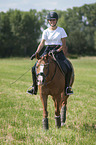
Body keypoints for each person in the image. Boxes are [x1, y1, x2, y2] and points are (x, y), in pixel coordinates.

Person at [27, 11, 73, 95]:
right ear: (48, 21)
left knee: (68, 67)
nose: (52, 21)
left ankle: (67, 88)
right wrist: (36, 52)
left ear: (56, 20)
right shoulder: (45, 31)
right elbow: (42, 43)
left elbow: (64, 45)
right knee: (34, 68)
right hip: (47, 50)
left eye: (54, 20)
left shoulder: (61, 30)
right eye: (50, 20)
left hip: (58, 51)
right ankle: (34, 87)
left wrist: (57, 50)